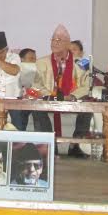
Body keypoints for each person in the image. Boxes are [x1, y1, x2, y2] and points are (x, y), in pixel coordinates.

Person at [32, 24, 91, 158]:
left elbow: (87, 85)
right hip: (49, 99)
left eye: (58, 40)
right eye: (53, 39)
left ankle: (75, 145)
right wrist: (49, 95)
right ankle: (49, 146)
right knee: (36, 106)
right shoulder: (41, 62)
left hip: (72, 99)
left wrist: (72, 96)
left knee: (88, 103)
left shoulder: (82, 62)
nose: (54, 43)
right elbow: (37, 84)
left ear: (68, 44)